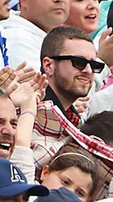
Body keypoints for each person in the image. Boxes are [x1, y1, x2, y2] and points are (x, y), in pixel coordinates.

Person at [33, 25, 99, 167]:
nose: (88, 70)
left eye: (94, 65)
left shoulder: (76, 121)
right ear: (48, 65)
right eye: (79, 62)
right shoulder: (28, 110)